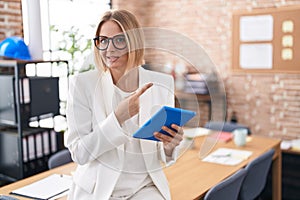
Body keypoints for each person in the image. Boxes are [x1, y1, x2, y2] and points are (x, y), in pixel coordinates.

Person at [65, 9, 184, 200]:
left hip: (144, 189)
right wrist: (117, 118)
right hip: (97, 191)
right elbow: (79, 153)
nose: (109, 49)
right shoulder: (82, 85)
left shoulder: (162, 84)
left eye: (119, 40)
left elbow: (162, 154)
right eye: (103, 40)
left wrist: (170, 145)